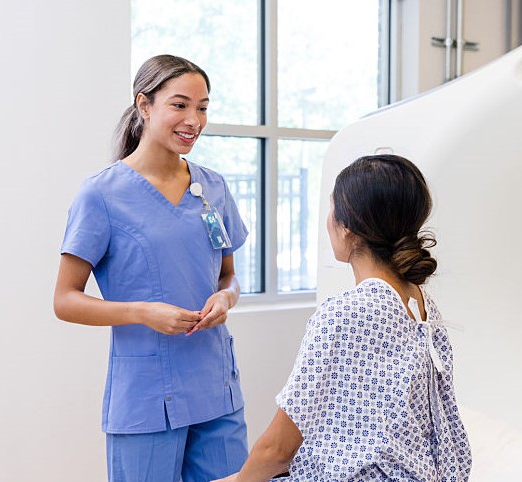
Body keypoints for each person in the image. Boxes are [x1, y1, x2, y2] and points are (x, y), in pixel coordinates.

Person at [214, 154, 472, 481]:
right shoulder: (421, 304)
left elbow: (278, 450)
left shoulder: (348, 312)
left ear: (348, 228)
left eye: (332, 207)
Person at [53, 54, 249, 482]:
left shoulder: (212, 187)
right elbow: (65, 300)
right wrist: (143, 312)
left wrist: (226, 297)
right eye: (179, 105)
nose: (193, 119)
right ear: (144, 105)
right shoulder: (101, 195)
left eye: (202, 107)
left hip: (216, 387)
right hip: (145, 397)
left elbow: (229, 274)